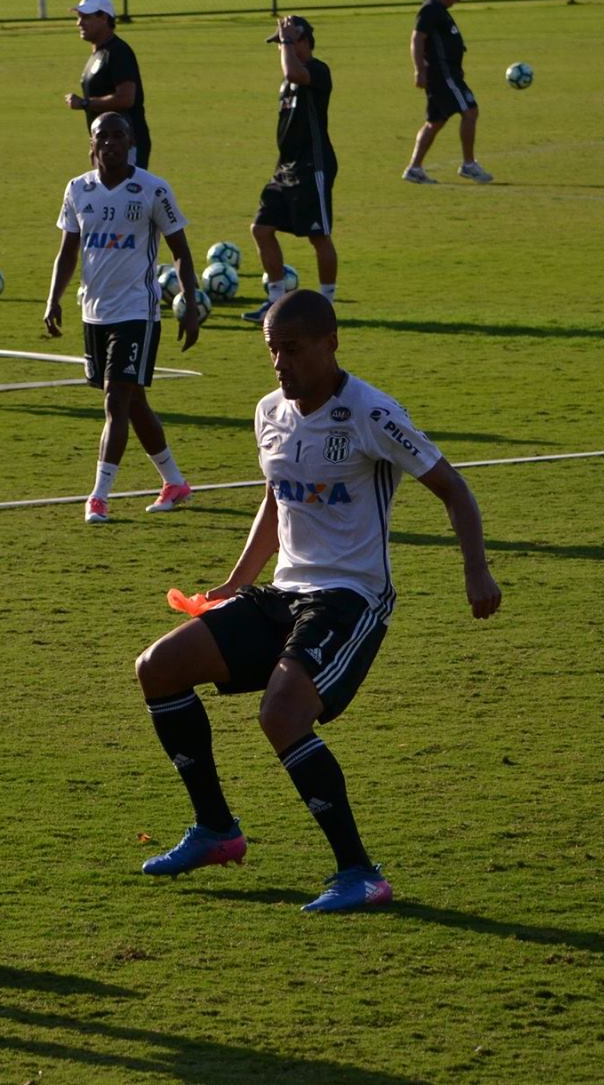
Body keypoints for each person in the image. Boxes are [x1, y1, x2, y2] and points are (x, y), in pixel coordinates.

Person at [131, 290, 502, 912]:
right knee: (158, 669)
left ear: (331, 344)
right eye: (273, 350)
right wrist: (234, 581)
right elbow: (277, 498)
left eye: (294, 350)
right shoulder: (269, 412)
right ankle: (217, 830)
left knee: (282, 715)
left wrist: (476, 571)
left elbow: (453, 488)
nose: (281, 363)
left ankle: (360, 873)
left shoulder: (372, 414)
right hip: (285, 592)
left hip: (350, 597)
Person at [45, 112, 199, 524]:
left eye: (118, 136)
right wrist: (53, 298)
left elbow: (180, 250)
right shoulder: (78, 189)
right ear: (92, 144)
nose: (110, 143)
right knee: (132, 403)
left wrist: (191, 299)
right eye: (102, 136)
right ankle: (175, 482)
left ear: (130, 142)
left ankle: (99, 496)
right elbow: (69, 250)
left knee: (116, 399)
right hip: (94, 312)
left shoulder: (151, 189)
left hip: (138, 312)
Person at [245, 15, 338, 326]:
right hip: (284, 168)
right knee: (261, 228)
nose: (280, 49)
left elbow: (294, 71)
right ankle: (274, 302)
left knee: (318, 236)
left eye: (285, 42)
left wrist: (286, 47)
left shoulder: (317, 70)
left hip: (314, 167)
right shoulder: (288, 80)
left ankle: (327, 305)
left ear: (303, 41)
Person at [403, 0, 493, 185]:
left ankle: (414, 168)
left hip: (448, 74)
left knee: (434, 122)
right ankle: (469, 165)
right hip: (443, 75)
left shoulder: (440, 10)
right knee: (470, 111)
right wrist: (419, 70)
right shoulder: (431, 9)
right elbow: (417, 39)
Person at [63, 0, 151, 168]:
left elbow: (125, 99)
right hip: (105, 147)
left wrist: (85, 103)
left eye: (86, 17)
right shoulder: (98, 54)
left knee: (125, 195)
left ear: (104, 17)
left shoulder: (118, 52)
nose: (79, 23)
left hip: (126, 145)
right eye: (79, 17)